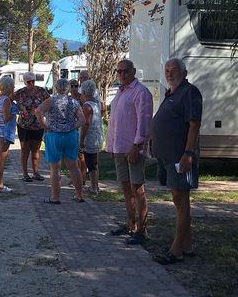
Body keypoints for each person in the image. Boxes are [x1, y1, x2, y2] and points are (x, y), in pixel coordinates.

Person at [151, 57, 202, 265]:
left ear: (184, 72)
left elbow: (194, 125)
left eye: (173, 70)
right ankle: (186, 245)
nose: (169, 74)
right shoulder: (171, 92)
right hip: (167, 156)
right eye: (167, 70)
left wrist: (188, 153)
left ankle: (176, 250)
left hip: (180, 157)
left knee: (181, 201)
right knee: (178, 201)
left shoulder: (190, 92)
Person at [106, 59, 153, 244]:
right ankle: (130, 224)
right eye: (118, 71)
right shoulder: (120, 92)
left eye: (125, 71)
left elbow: (144, 122)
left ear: (133, 71)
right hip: (119, 148)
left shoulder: (141, 92)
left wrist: (137, 146)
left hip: (133, 149)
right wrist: (111, 145)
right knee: (126, 188)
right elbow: (114, 122)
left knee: (138, 189)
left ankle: (143, 230)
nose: (122, 74)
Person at [36, 78, 86, 204]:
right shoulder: (74, 102)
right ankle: (79, 195)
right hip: (71, 136)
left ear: (56, 88)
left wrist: (45, 125)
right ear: (68, 88)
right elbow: (82, 120)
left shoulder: (51, 101)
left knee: (55, 168)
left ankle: (55, 197)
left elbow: (38, 111)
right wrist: (71, 126)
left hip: (54, 135)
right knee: (74, 166)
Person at [14, 72, 50, 181]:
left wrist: (43, 111)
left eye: (33, 81)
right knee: (25, 150)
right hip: (24, 126)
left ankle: (36, 172)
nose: (31, 84)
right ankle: (25, 174)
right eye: (28, 82)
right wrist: (19, 108)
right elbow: (10, 100)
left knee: (36, 150)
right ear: (25, 82)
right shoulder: (20, 93)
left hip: (38, 125)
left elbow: (49, 101)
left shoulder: (41, 91)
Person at [0, 75, 17, 193]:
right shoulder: (6, 100)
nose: (14, 87)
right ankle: (0, 185)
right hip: (3, 133)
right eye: (13, 85)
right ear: (9, 87)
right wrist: (15, 112)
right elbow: (6, 117)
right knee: (2, 159)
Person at [79, 79, 104, 195]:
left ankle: (93, 187)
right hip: (98, 135)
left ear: (84, 92)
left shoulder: (87, 106)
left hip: (90, 138)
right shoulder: (96, 103)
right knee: (94, 162)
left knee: (91, 163)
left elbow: (85, 124)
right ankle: (95, 185)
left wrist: (81, 139)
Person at [70, 79, 87, 183]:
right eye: (72, 86)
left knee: (81, 155)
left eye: (76, 86)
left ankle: (83, 178)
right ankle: (75, 178)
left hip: (80, 127)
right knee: (73, 156)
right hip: (72, 128)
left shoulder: (82, 97)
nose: (74, 88)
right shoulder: (67, 98)